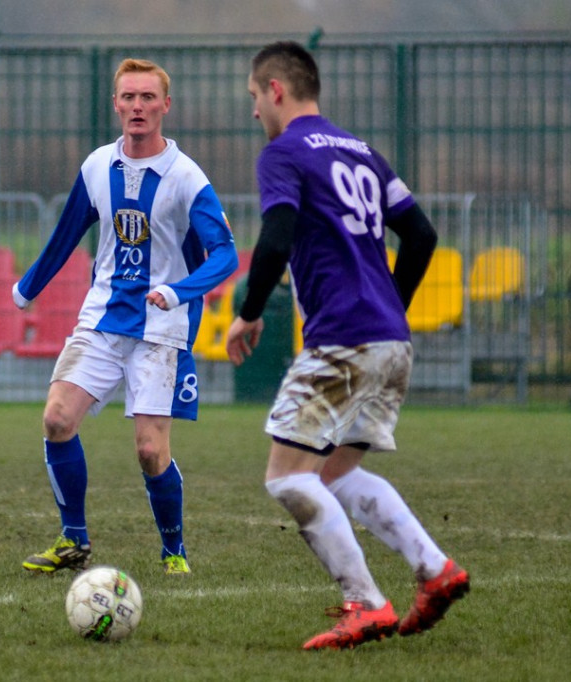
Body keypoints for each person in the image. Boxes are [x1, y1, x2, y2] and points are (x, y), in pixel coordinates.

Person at [225, 41, 469, 650]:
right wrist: (390, 305)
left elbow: (276, 238)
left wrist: (248, 314)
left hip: (342, 338)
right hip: (391, 339)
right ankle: (435, 571)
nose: (255, 111)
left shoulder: (283, 153)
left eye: (255, 97)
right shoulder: (363, 151)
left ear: (275, 90)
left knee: (287, 478)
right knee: (331, 474)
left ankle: (365, 603)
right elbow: (420, 233)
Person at [14, 58, 238, 577]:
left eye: (147, 98)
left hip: (161, 329)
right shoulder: (97, 167)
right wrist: (28, 287)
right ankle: (73, 540)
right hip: (101, 317)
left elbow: (225, 254)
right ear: (115, 104)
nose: (137, 106)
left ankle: (174, 551)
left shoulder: (185, 177)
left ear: (165, 106)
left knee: (149, 450)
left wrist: (178, 291)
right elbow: (67, 231)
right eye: (128, 97)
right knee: (56, 418)